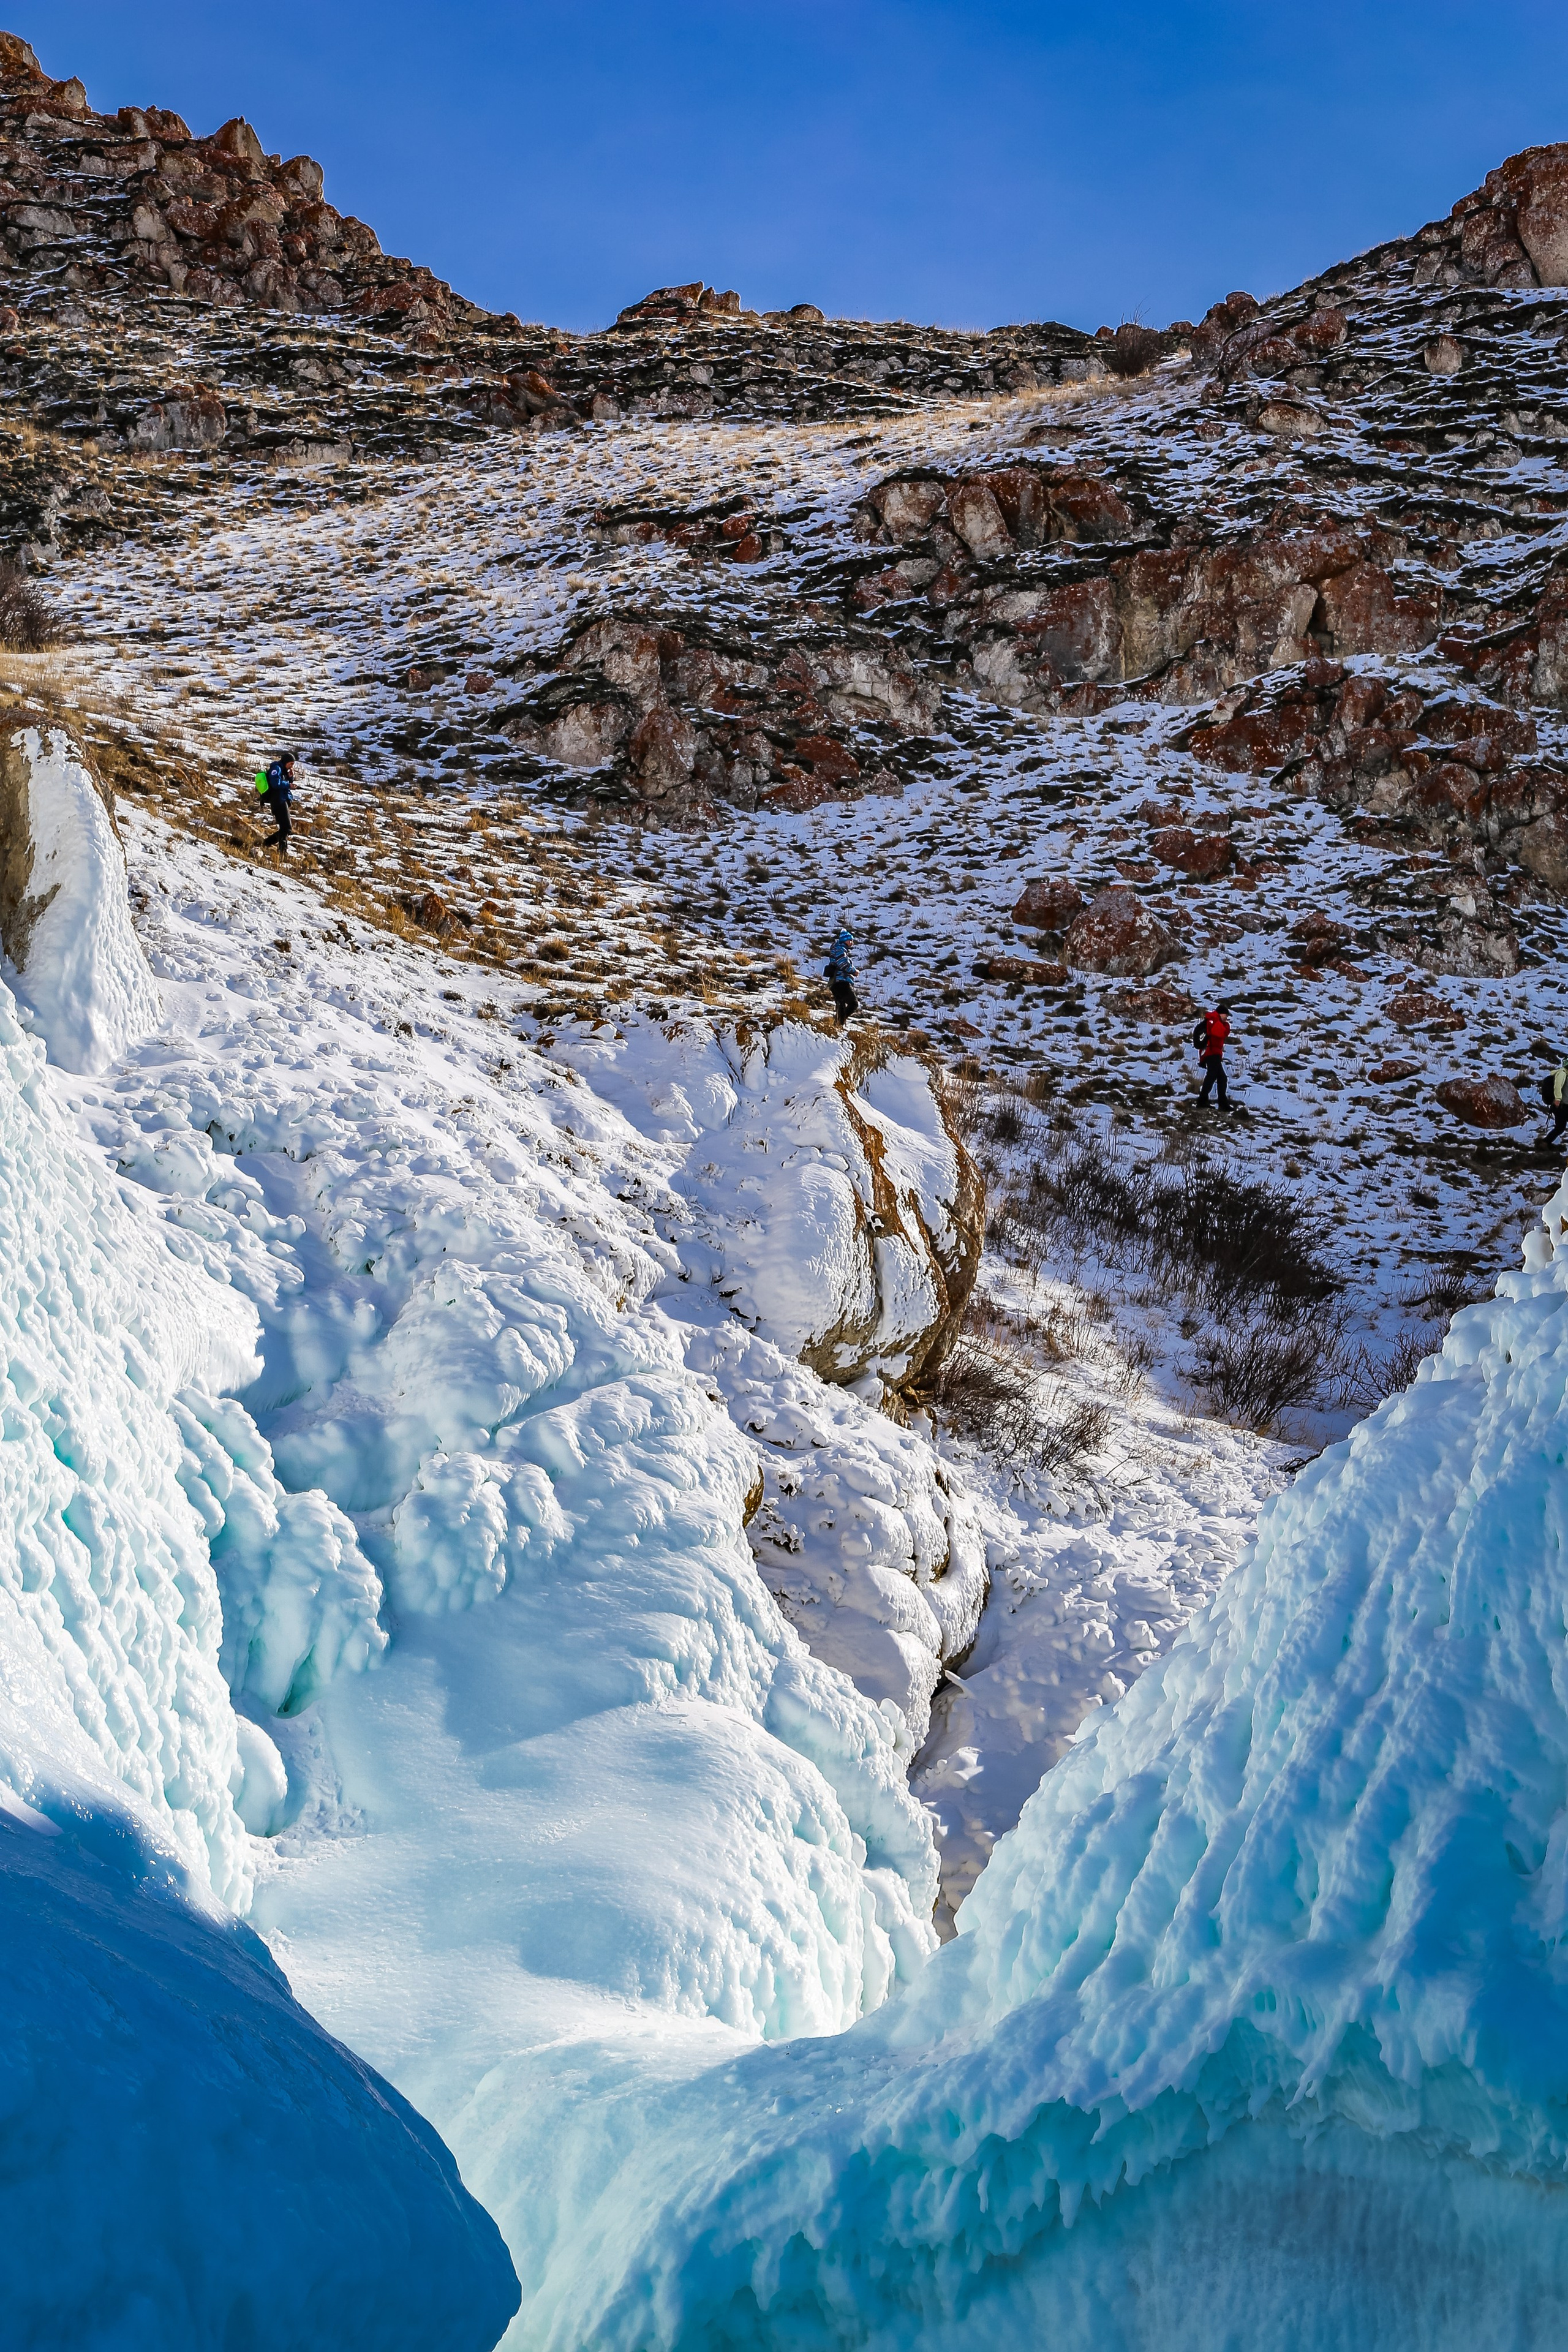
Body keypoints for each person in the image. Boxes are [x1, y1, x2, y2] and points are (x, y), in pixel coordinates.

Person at [1193, 1000, 1232, 1108]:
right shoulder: (1214, 1019)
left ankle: (1221, 1104)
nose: (1226, 1018)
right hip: (1211, 1052)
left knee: (1222, 1078)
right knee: (1212, 1075)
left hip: (1213, 1053)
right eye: (1226, 1016)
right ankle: (1203, 1101)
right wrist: (1227, 1026)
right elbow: (1221, 1033)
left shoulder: (1213, 1019)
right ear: (1221, 1013)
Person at [257, 753, 298, 857]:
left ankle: (266, 844)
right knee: (287, 828)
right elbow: (275, 784)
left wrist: (290, 778)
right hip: (278, 801)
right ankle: (282, 852)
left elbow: (282, 782)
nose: (291, 766)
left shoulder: (283, 771)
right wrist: (289, 785)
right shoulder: (277, 768)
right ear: (285, 762)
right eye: (291, 764)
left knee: (285, 828)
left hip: (281, 800)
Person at [825, 928, 858, 1025]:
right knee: (854, 1004)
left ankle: (838, 1026)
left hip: (835, 983)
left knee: (841, 1005)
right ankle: (839, 1023)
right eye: (850, 940)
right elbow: (843, 964)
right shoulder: (840, 949)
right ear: (844, 940)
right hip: (841, 981)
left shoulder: (838, 949)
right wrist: (854, 971)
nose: (852, 942)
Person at [1544, 1055, 1568, 1144]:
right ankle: (1545, 1143)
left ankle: (1545, 1143)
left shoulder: (1565, 1074)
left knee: (1560, 1128)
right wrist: (1558, 1099)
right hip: (1562, 1106)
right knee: (1560, 1128)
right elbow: (1558, 1086)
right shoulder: (1562, 1073)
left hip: (1561, 1107)